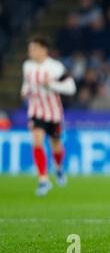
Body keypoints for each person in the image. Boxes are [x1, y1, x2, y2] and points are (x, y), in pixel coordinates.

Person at [21, 35, 76, 196]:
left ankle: (58, 168)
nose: (30, 52)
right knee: (37, 142)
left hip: (53, 114)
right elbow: (27, 83)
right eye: (30, 49)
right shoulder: (27, 66)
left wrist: (51, 84)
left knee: (56, 144)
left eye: (33, 48)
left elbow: (71, 88)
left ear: (43, 50)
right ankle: (43, 179)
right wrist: (24, 91)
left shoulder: (55, 67)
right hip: (36, 111)